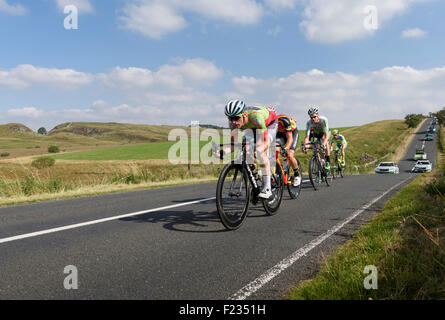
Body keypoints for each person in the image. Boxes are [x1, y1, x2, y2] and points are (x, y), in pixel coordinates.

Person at [217, 100, 278, 199]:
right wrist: (222, 152)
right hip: (251, 127)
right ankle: (256, 179)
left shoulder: (256, 117)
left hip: (269, 124)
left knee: (260, 152)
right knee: (246, 148)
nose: (233, 122)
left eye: (236, 118)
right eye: (230, 118)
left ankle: (267, 188)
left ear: (244, 115)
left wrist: (258, 150)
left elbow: (266, 141)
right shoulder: (233, 124)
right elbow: (233, 145)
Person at [302, 107, 331, 171]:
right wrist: (305, 146)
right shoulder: (309, 123)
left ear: (318, 115)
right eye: (311, 117)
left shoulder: (323, 120)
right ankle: (319, 166)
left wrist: (323, 144)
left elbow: (327, 135)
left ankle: (328, 161)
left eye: (314, 117)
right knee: (315, 147)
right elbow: (307, 137)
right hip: (316, 134)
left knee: (325, 141)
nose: (313, 119)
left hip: (324, 133)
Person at [276, 114, 301, 187]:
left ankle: (296, 174)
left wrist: (286, 148)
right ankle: (278, 171)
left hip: (292, 133)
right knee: (274, 149)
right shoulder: (268, 124)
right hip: (281, 134)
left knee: (290, 154)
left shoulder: (284, 121)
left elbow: (290, 138)